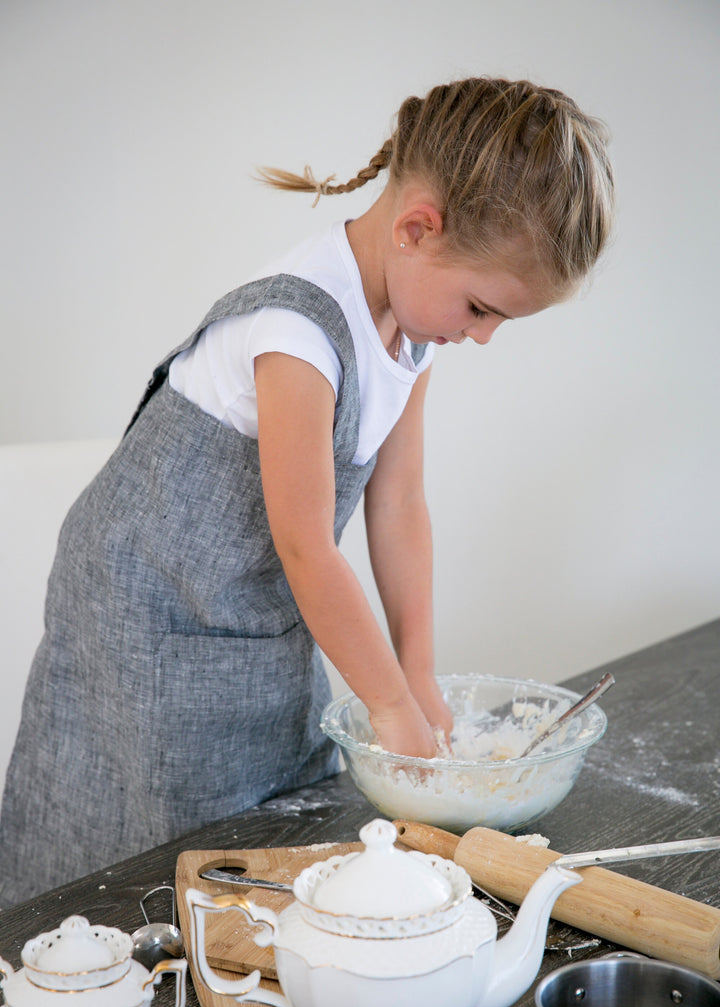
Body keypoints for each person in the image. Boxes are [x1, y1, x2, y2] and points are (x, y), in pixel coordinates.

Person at [0, 77, 614, 907]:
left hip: (249, 608)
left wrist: (418, 676)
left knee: (271, 814)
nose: (482, 335)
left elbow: (398, 506)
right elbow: (303, 541)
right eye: (480, 307)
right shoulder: (298, 333)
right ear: (417, 228)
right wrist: (389, 705)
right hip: (147, 613)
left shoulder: (408, 332)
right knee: (148, 841)